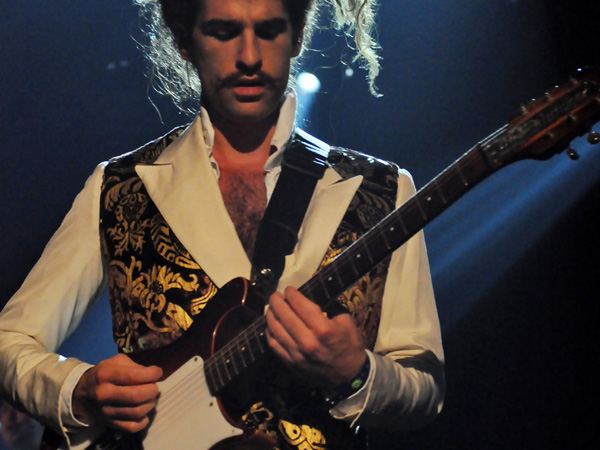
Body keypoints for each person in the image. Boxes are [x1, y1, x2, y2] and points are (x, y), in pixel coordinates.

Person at [0, 0, 445, 449]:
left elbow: (425, 388)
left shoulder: (383, 192)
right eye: (223, 31)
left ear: (296, 37)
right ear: (185, 41)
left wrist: (356, 374)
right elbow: (9, 340)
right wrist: (77, 390)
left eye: (268, 30)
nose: (249, 56)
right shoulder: (117, 186)